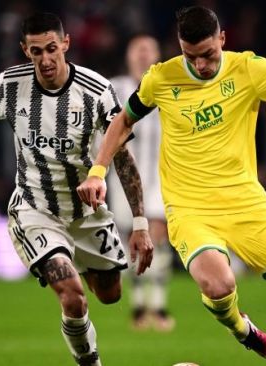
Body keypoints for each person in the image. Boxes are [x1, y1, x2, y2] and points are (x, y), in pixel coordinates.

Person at [77, 5, 266, 366]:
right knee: (218, 286)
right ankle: (245, 332)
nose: (201, 65)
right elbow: (123, 120)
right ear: (179, 47)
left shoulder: (248, 69)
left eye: (208, 55)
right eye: (191, 56)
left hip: (247, 205)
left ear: (222, 39)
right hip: (190, 209)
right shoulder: (162, 77)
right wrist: (97, 170)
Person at [0, 12, 154, 366]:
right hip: (35, 210)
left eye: (51, 49)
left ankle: (82, 265)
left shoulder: (95, 90)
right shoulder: (11, 85)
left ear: (66, 44)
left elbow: (121, 156)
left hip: (87, 213)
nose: (45, 59)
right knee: (73, 298)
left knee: (110, 295)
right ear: (25, 50)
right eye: (36, 51)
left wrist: (139, 223)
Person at [107, 34, 175, 331]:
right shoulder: (114, 88)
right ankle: (138, 307)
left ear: (158, 55)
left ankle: (158, 306)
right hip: (123, 182)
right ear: (129, 56)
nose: (144, 54)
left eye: (150, 48)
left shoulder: (171, 88)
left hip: (161, 179)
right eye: (138, 49)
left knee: (157, 237)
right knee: (130, 242)